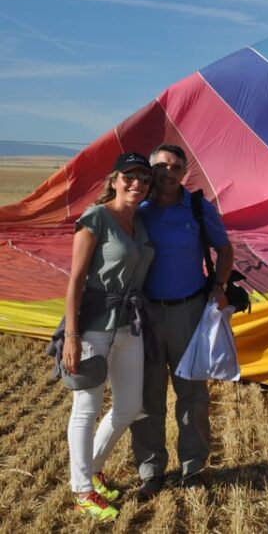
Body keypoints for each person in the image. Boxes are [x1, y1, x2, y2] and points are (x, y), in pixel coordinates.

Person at [130, 143, 234, 501]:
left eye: (176, 167)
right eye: (162, 166)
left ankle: (193, 469)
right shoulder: (138, 208)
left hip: (188, 311)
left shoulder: (198, 207)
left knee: (192, 396)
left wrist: (219, 286)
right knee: (148, 396)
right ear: (152, 169)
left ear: (184, 172)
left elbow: (225, 249)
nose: (168, 173)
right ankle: (151, 471)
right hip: (145, 314)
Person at [62, 152, 155, 522]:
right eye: (129, 176)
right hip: (93, 327)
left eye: (144, 178)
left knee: (129, 405)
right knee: (86, 408)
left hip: (129, 326)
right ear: (115, 180)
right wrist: (72, 336)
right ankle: (82, 490)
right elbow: (75, 280)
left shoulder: (140, 222)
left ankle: (94, 468)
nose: (137, 183)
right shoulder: (96, 217)